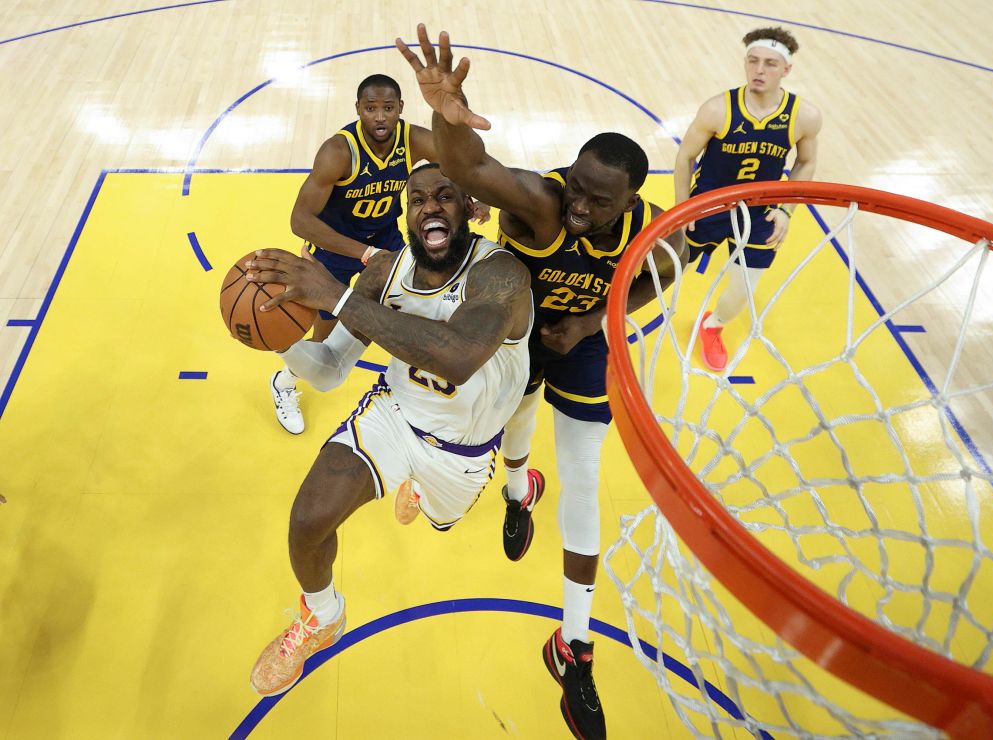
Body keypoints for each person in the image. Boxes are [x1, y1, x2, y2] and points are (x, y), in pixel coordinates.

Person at [397, 25, 685, 740]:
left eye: (597, 200)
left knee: (584, 475)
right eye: (576, 186)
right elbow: (473, 168)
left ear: (632, 201)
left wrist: (592, 325)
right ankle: (519, 490)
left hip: (581, 342)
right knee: (516, 436)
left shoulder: (659, 236)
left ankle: (573, 643)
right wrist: (446, 114)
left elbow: (666, 276)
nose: (578, 205)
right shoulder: (544, 201)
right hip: (519, 335)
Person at [244, 163, 533, 697]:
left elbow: (460, 357)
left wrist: (336, 296)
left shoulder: (500, 274)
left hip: (462, 451)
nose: (431, 207)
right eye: (418, 199)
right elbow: (330, 370)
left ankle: (431, 491)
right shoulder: (383, 274)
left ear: (468, 208)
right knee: (308, 521)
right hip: (395, 416)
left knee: (441, 522)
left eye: (445, 195)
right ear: (406, 216)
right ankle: (322, 616)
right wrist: (279, 340)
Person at [269, 73, 489, 434]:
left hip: (385, 236)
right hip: (335, 247)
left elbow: (463, 160)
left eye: (388, 108)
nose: (380, 117)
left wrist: (471, 198)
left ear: (401, 108)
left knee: (414, 309)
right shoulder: (338, 152)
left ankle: (416, 391)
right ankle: (285, 383)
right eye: (371, 109)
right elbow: (300, 220)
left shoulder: (413, 138)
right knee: (323, 339)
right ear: (358, 110)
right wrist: (365, 253)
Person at [673, 26, 822, 372]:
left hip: (760, 215)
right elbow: (684, 158)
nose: (759, 70)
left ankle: (712, 326)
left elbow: (806, 161)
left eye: (770, 64)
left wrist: (787, 210)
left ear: (786, 70)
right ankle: (608, 318)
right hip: (706, 207)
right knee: (662, 270)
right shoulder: (717, 109)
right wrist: (683, 207)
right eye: (753, 61)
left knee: (741, 293)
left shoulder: (804, 116)